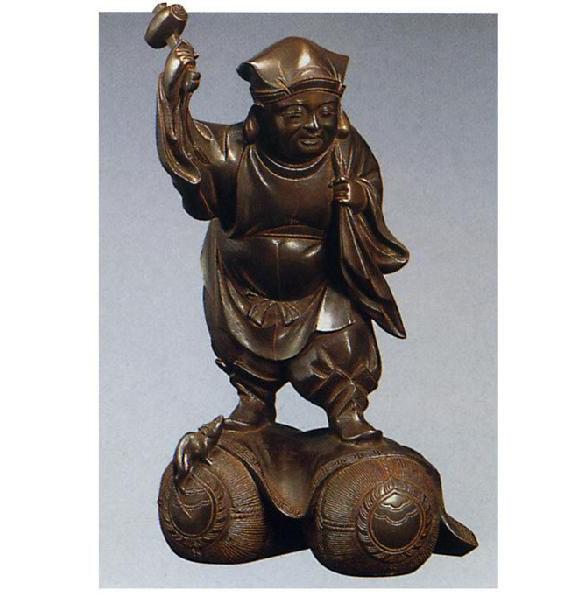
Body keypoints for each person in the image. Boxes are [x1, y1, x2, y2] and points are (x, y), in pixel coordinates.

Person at [155, 36, 409, 441]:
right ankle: (253, 402)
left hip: (320, 285)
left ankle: (346, 408)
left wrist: (359, 197)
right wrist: (175, 95)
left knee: (341, 343)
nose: (314, 125)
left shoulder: (344, 151)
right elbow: (189, 158)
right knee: (243, 351)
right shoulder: (234, 151)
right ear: (263, 114)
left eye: (325, 112)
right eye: (295, 113)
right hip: (243, 288)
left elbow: (370, 187)